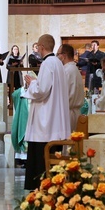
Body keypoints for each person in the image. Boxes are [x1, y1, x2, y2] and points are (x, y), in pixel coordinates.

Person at [22, 34, 71, 190]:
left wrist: (32, 83)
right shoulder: (58, 63)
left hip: (46, 122)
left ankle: (41, 187)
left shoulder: (47, 64)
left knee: (41, 158)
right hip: (55, 119)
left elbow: (42, 90)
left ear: (41, 47)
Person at [57, 44, 85, 130]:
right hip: (74, 112)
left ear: (64, 55)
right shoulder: (75, 69)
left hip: (67, 113)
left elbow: (61, 94)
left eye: (58, 54)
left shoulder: (66, 71)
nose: (57, 56)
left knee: (66, 141)